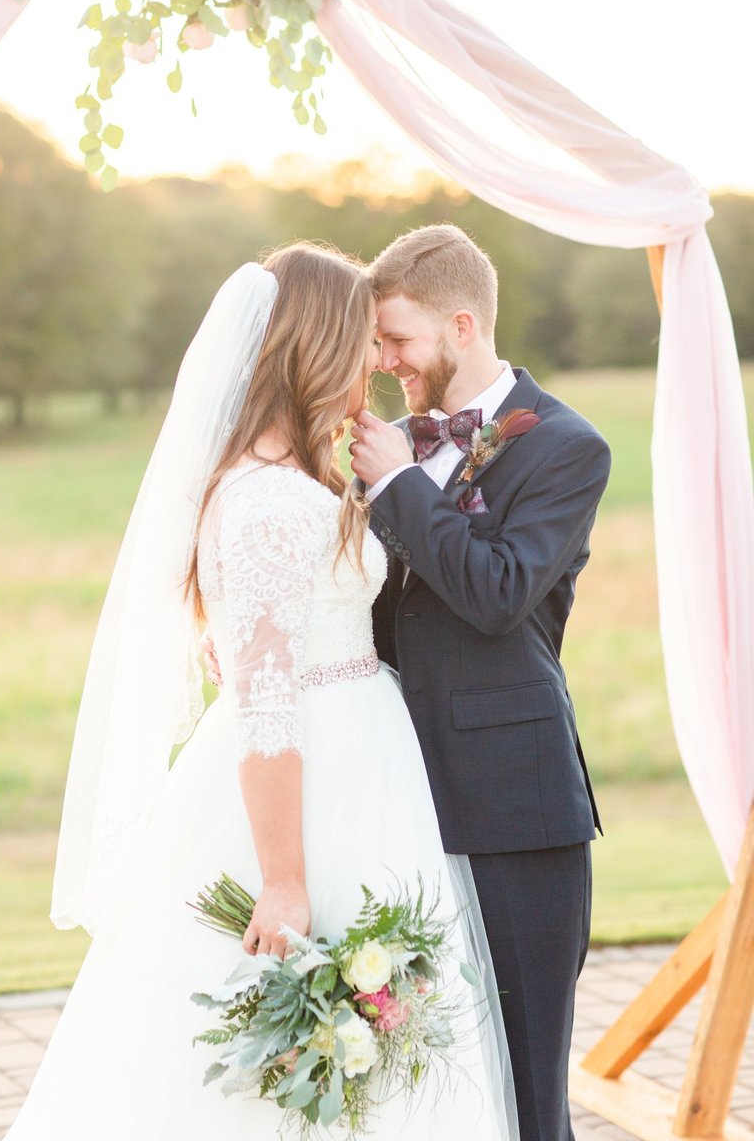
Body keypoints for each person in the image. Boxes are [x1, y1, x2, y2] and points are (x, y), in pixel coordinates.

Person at [3, 242, 519, 1141]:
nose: (374, 361)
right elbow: (268, 701)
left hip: (356, 765)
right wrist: (282, 878)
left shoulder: (280, 483)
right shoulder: (268, 504)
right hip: (312, 785)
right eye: (362, 341)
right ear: (316, 345)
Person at [348, 224, 612, 1141]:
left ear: (461, 325)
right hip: (395, 800)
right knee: (430, 1082)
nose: (386, 363)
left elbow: (499, 595)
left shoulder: (569, 448)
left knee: (528, 1085)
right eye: (379, 344)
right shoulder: (396, 447)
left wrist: (400, 492)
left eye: (398, 340)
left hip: (515, 807)